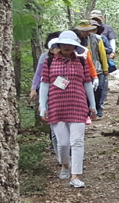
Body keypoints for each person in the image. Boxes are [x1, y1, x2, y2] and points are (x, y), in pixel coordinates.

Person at [38, 31, 99, 188]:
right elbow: (44, 84)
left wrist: (92, 105)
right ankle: (65, 165)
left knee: (77, 141)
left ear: (75, 47)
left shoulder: (82, 62)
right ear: (58, 45)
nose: (66, 47)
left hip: (78, 106)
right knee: (63, 143)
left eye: (70, 45)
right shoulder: (49, 62)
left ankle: (75, 175)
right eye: (64, 44)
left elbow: (87, 84)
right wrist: (43, 106)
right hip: (56, 107)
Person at [74, 19, 109, 116]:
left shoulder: (97, 38)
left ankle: (98, 107)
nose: (85, 33)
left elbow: (102, 54)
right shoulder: (75, 40)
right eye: (83, 31)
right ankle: (86, 110)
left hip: (96, 68)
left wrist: (105, 68)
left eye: (86, 30)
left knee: (98, 90)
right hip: (81, 70)